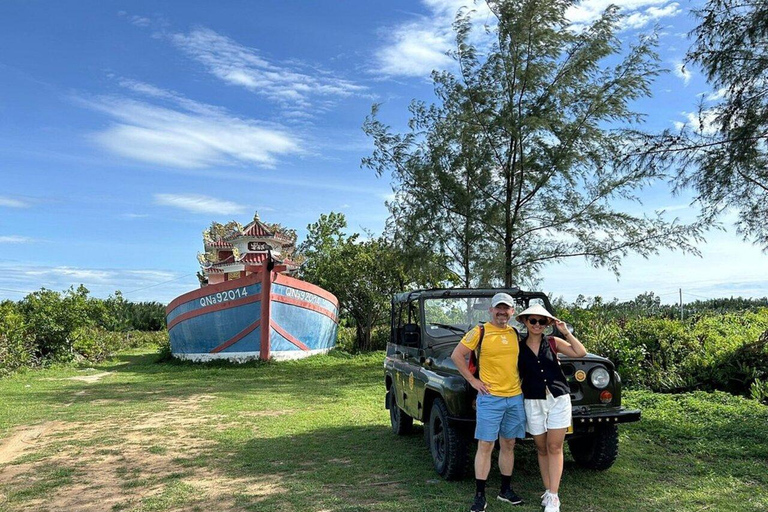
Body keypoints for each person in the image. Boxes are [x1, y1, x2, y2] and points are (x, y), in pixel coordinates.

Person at [451, 292, 526, 512]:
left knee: (509, 444)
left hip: (514, 397)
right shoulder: (480, 331)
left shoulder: (514, 333)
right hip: (490, 398)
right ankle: (480, 495)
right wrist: (473, 381)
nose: (502, 312)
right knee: (485, 445)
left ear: (513, 312)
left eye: (507, 308)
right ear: (491, 310)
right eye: (498, 308)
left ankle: (505, 490)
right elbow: (457, 355)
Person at [515, 304, 587, 512]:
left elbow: (580, 352)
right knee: (541, 447)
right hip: (533, 399)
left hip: (558, 399)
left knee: (555, 447)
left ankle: (554, 496)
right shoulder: (518, 346)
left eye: (542, 321)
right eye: (533, 320)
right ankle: (548, 490)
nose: (537, 324)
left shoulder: (554, 342)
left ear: (547, 324)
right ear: (526, 322)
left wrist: (564, 330)